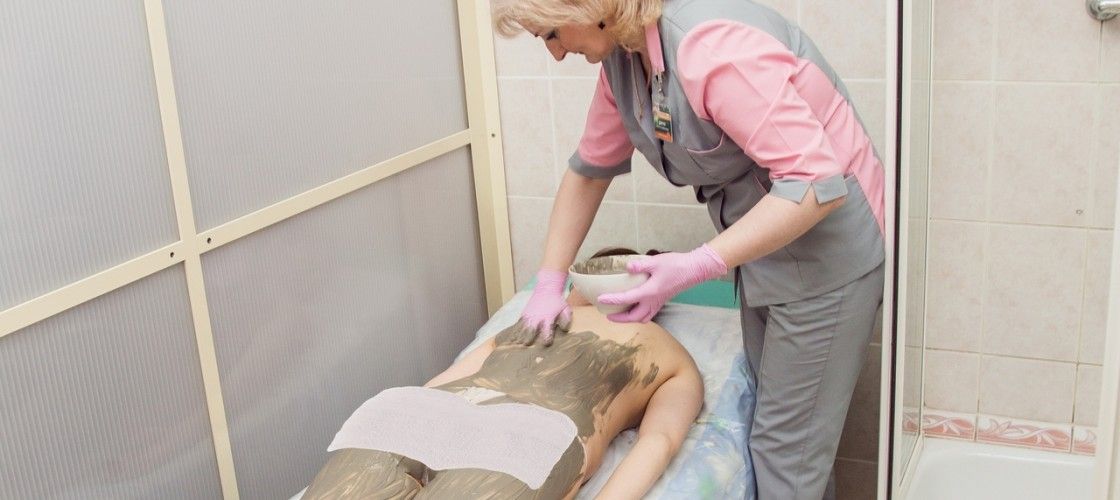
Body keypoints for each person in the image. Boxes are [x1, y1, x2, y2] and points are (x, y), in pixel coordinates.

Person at [492, 1, 886, 499]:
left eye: (550, 34)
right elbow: (589, 171)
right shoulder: (624, 60)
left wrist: (695, 265)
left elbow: (813, 183)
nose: (555, 53)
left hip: (827, 255)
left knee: (786, 454)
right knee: (788, 441)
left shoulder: (709, 46)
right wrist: (550, 282)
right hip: (764, 252)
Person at [300, 255, 704, 500]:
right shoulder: (659, 347)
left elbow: (442, 383)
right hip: (509, 430)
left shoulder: (530, 326)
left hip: (472, 425)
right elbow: (658, 443)